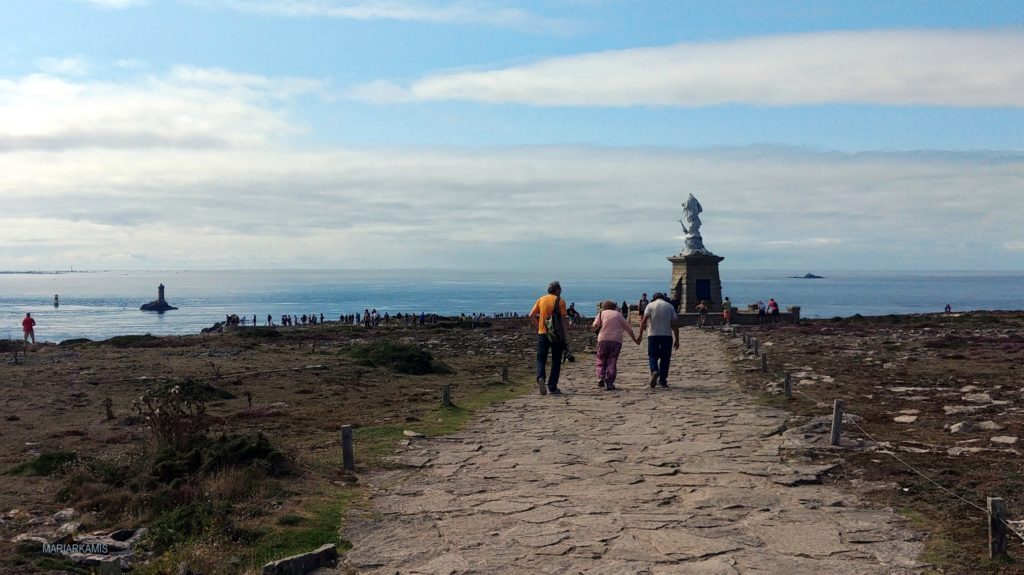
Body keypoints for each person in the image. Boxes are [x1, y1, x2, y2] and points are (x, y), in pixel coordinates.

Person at [529, 281, 568, 396]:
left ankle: (540, 377)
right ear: (557, 290)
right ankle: (552, 386)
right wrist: (565, 336)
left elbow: (531, 315)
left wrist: (538, 328)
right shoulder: (560, 301)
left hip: (543, 333)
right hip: (556, 335)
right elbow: (563, 321)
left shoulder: (541, 299)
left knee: (541, 358)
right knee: (556, 361)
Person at [592, 301, 640, 391]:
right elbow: (628, 328)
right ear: (614, 307)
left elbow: (595, 325)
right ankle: (610, 382)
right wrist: (635, 340)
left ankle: (601, 377)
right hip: (616, 340)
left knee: (601, 358)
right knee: (612, 360)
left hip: (603, 339)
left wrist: (594, 330)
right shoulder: (618, 314)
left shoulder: (601, 313)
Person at [639, 293, 679, 388]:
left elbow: (644, 321)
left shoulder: (650, 305)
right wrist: (677, 339)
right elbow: (674, 324)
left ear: (654, 298)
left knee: (652, 355)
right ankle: (662, 380)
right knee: (665, 358)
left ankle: (654, 370)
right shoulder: (670, 306)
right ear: (663, 298)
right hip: (667, 335)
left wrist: (640, 334)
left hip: (653, 335)